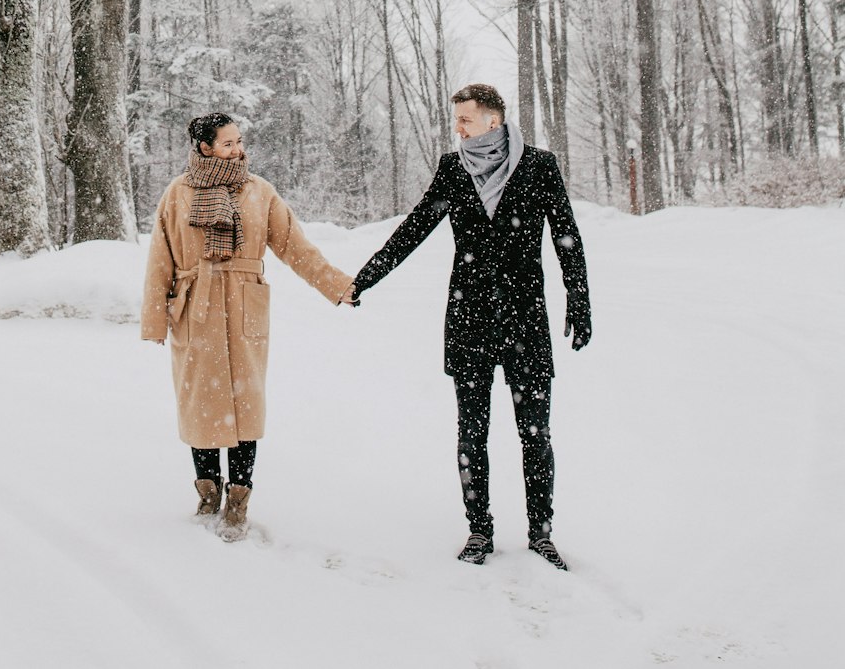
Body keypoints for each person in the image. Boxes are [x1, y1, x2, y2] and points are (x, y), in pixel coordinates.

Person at [352, 83, 591, 571]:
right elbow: (413, 229)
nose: (457, 128)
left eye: (465, 119)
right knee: (471, 433)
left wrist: (579, 302)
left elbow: (567, 235)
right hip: (469, 320)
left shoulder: (539, 166)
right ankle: (479, 531)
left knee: (535, 433)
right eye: (456, 119)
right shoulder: (453, 169)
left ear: (493, 120)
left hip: (525, 316)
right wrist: (365, 278)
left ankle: (541, 535)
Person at [142, 111, 355, 540]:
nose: (239, 150)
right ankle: (207, 494)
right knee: (201, 403)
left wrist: (338, 285)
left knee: (245, 404)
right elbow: (159, 260)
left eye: (239, 140)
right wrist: (155, 320)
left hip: (244, 307)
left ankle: (239, 498)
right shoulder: (178, 193)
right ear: (204, 148)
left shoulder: (260, 192)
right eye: (228, 143)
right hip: (194, 308)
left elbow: (296, 248)